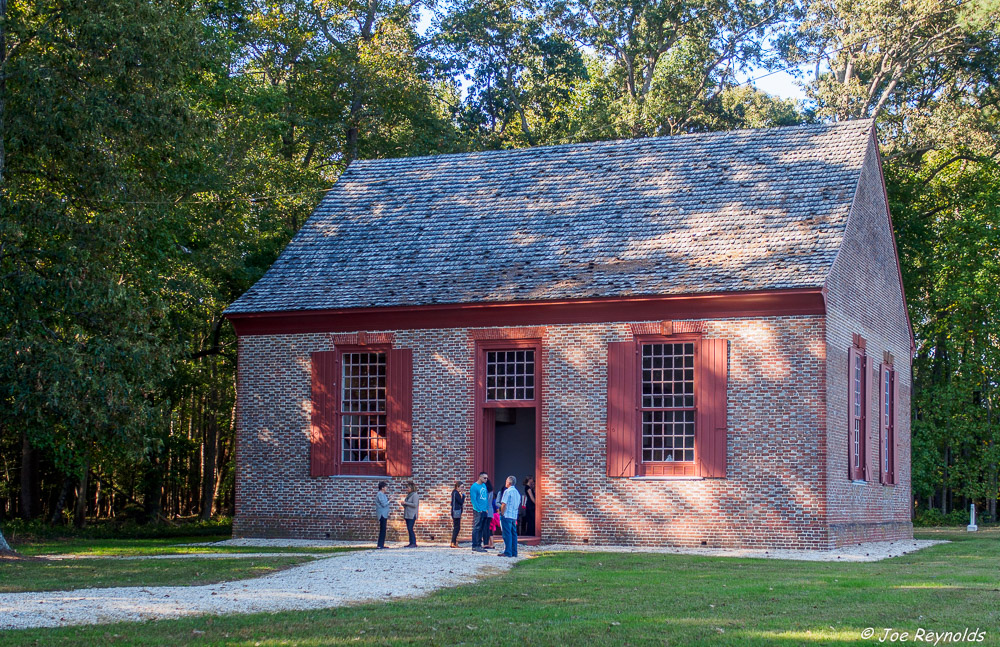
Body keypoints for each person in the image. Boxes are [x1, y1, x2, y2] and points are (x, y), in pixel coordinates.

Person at [499, 475, 521, 557]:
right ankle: (514, 552)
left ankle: (507, 552)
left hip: (507, 515)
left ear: (509, 482)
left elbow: (504, 504)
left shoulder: (507, 492)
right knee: (513, 534)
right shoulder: (517, 492)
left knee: (507, 534)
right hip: (514, 515)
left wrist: (502, 513)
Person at [469, 472, 490, 552]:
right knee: (477, 527)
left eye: (487, 478)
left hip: (484, 509)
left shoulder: (484, 486)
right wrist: (478, 509)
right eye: (484, 478)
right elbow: (473, 500)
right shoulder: (474, 487)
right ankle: (475, 545)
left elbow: (485, 498)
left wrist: (487, 508)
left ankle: (479, 544)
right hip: (478, 510)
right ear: (480, 477)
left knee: (482, 528)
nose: (486, 479)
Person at [401, 481, 419, 547]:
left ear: (411, 488)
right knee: (409, 528)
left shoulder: (415, 495)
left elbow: (415, 505)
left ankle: (414, 542)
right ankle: (411, 542)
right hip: (407, 514)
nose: (407, 489)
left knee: (410, 528)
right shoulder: (408, 495)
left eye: (408, 488)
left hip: (412, 514)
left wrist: (406, 503)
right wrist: (404, 504)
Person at [374, 481, 390, 548]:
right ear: (382, 487)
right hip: (382, 514)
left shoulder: (383, 494)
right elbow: (384, 504)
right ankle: (380, 545)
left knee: (383, 529)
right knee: (382, 529)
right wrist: (390, 500)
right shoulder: (380, 494)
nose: (386, 488)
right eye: (385, 487)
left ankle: (381, 544)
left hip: (384, 514)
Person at [450, 481, 465, 548]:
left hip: (455, 511)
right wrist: (463, 496)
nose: (462, 488)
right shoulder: (456, 493)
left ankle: (454, 542)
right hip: (456, 511)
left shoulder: (454, 493)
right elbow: (461, 502)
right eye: (461, 487)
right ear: (457, 487)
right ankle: (453, 542)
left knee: (456, 527)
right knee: (457, 527)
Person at [484, 477, 495, 549]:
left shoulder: (485, 491)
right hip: (491, 510)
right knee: (488, 527)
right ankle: (492, 543)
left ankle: (486, 543)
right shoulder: (491, 491)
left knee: (485, 528)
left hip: (486, 510)